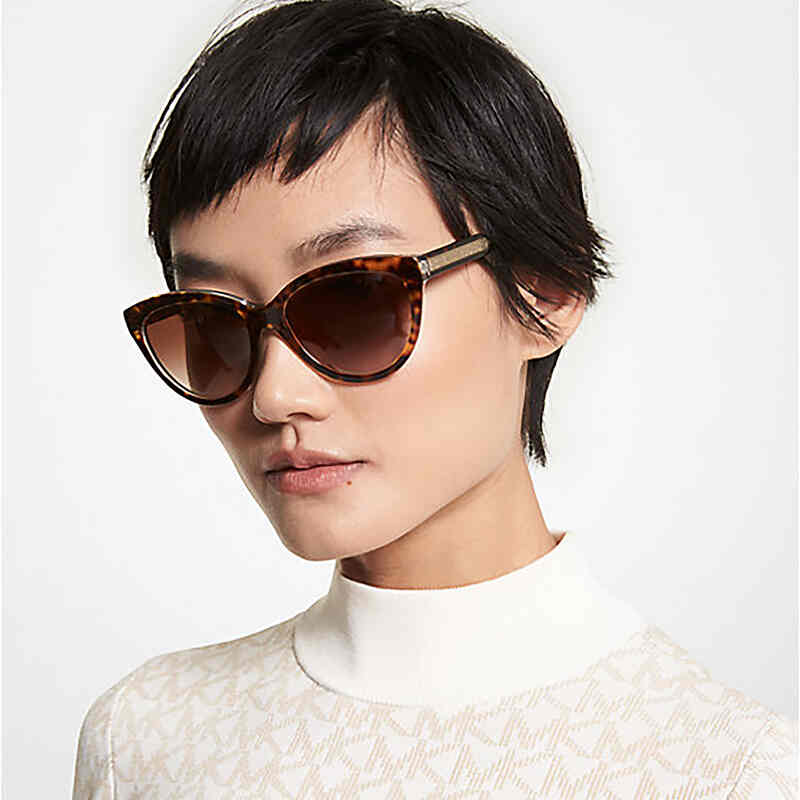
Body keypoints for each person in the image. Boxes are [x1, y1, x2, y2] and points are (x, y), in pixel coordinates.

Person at [72, 0, 797, 796]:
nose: (275, 395)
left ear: (545, 291)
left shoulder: (728, 771)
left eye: (354, 301)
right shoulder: (146, 739)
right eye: (215, 324)